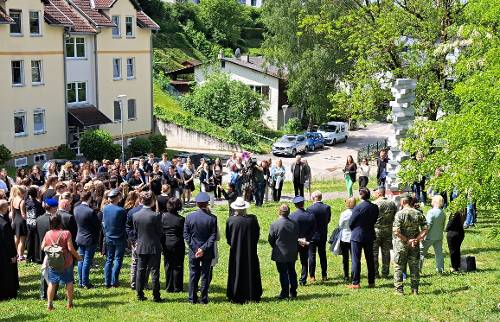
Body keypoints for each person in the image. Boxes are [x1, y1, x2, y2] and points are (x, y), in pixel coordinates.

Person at [41, 213, 82, 310]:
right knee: (69, 282)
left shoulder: (48, 233)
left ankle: (50, 305)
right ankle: (70, 304)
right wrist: (78, 257)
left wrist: (52, 248)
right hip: (66, 262)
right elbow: (71, 249)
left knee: (52, 283)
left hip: (53, 262)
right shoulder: (66, 233)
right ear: (60, 222)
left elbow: (43, 247)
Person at [226, 197, 262, 303]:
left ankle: (235, 294)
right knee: (251, 271)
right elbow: (256, 236)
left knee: (236, 271)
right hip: (250, 250)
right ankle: (252, 294)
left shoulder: (231, 220)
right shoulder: (252, 219)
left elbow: (229, 238)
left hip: (235, 250)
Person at [183, 192, 217, 304]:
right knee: (205, 275)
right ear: (207, 204)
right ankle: (203, 298)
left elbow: (186, 235)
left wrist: (196, 248)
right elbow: (213, 236)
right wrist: (203, 249)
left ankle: (192, 298)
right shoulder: (212, 218)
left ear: (197, 204)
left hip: (194, 250)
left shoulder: (189, 217)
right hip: (206, 251)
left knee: (193, 274)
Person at [393, 194, 428, 295]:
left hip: (401, 245)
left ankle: (399, 290)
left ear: (403, 202)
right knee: (414, 267)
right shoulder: (418, 213)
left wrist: (407, 240)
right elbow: (425, 229)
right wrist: (416, 239)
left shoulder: (399, 214)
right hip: (414, 245)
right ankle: (415, 290)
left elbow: (396, 231)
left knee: (399, 266)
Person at [133, 191, 163, 302]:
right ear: (152, 202)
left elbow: (136, 232)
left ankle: (139, 293)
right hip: (154, 246)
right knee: (154, 272)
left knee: (140, 271)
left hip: (141, 246)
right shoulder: (156, 216)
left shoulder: (135, 215)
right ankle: (156, 295)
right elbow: (160, 232)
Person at [348, 187, 379, 289]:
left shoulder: (358, 207)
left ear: (361, 195)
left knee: (356, 259)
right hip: (369, 234)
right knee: (370, 259)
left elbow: (351, 222)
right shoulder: (374, 207)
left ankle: (356, 282)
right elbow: (374, 220)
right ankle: (371, 282)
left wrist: (355, 229)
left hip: (357, 235)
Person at [269, 204, 299, 300]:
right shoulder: (295, 223)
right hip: (292, 252)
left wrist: (275, 246)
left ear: (279, 212)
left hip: (280, 253)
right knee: (292, 271)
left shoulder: (275, 224)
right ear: (289, 212)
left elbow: (271, 239)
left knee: (283, 273)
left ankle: (284, 293)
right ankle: (293, 291)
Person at [74, 191, 100, 289]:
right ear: (89, 198)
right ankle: (85, 282)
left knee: (81, 259)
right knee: (87, 260)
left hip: (80, 237)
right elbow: (97, 226)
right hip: (89, 238)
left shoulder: (76, 209)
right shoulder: (90, 211)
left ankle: (81, 282)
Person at [102, 189, 127, 288]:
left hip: (108, 236)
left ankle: (107, 282)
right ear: (117, 198)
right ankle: (114, 281)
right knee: (117, 259)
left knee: (109, 259)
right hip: (119, 237)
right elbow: (124, 224)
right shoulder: (121, 210)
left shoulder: (105, 208)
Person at [160, 197, 185, 293]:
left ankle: (168, 286)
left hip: (166, 243)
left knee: (168, 264)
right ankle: (177, 287)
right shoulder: (181, 219)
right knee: (178, 265)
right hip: (177, 243)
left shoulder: (162, 217)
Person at [289, 196, 315, 286]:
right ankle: (303, 280)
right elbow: (313, 230)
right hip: (305, 241)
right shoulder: (310, 215)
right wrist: (306, 238)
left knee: (292, 261)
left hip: (294, 241)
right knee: (304, 261)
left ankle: (292, 279)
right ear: (303, 204)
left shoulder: (292, 216)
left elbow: (290, 230)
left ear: (295, 205)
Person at [373, 187, 398, 278]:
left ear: (379, 193)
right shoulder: (392, 203)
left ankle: (375, 273)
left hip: (376, 231)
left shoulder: (374, 204)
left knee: (374, 252)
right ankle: (385, 273)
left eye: (375, 192)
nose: (374, 194)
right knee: (386, 252)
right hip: (388, 231)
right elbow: (396, 216)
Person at [306, 191, 331, 282]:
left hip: (312, 235)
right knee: (322, 255)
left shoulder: (309, 208)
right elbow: (328, 220)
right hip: (322, 234)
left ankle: (312, 276)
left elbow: (308, 222)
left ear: (313, 198)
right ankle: (324, 275)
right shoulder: (327, 207)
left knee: (312, 255)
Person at [420, 195, 446, 273]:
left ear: (434, 202)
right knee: (439, 254)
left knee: (421, 253)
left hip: (429, 236)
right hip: (439, 236)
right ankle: (440, 269)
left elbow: (428, 225)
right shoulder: (443, 212)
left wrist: (422, 235)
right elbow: (443, 225)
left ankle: (417, 269)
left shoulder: (431, 212)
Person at [0, 199, 19, 300]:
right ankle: (7, 294)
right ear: (4, 208)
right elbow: (9, 242)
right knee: (7, 274)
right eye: (7, 206)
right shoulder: (4, 223)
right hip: (5, 254)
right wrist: (13, 255)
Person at [339, 197, 356, 281]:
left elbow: (340, 225)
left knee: (345, 258)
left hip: (345, 237)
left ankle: (346, 275)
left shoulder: (344, 214)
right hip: (354, 237)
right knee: (354, 258)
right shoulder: (357, 212)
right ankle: (354, 274)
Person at [25, 186, 44, 262]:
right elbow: (41, 214)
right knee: (36, 241)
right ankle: (36, 257)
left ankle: (28, 257)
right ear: (35, 194)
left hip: (29, 222)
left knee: (29, 240)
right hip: (35, 224)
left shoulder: (27, 202)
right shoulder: (37, 204)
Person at [10, 185, 27, 261]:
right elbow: (23, 214)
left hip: (15, 220)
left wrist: (13, 222)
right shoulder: (22, 201)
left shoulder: (13, 199)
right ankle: (20, 256)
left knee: (16, 238)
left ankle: (13, 253)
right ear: (22, 193)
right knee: (22, 240)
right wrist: (28, 218)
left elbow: (12, 212)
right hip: (21, 221)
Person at [446, 208, 466, 272]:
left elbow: (450, 223)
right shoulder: (463, 211)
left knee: (453, 251)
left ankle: (454, 267)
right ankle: (458, 265)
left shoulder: (455, 212)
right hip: (460, 232)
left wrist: (446, 228)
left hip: (453, 233)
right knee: (457, 249)